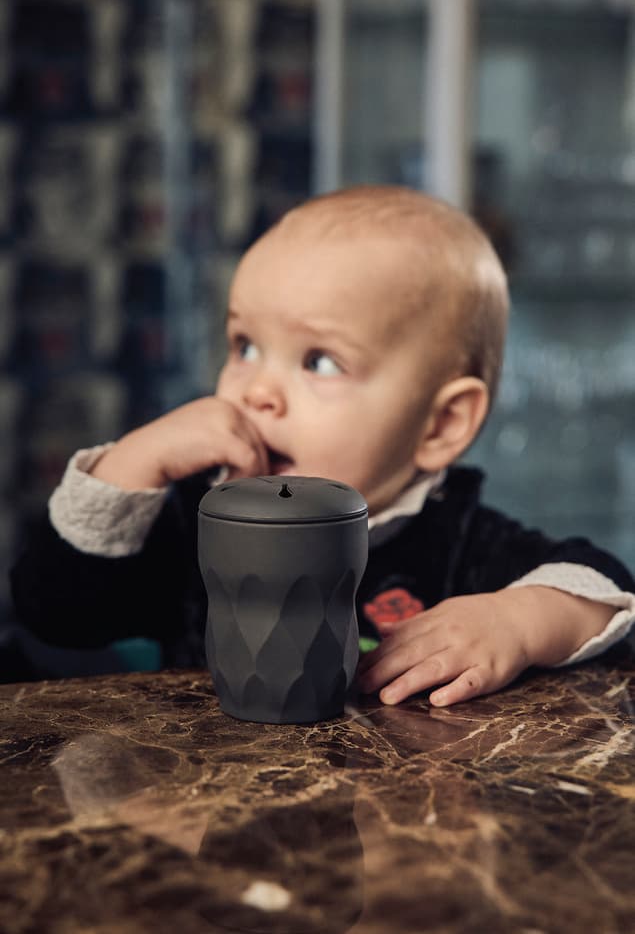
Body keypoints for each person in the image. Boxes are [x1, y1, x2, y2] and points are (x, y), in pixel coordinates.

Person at [11, 186, 635, 707]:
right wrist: (128, 466)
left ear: (440, 424)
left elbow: (603, 590)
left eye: (318, 360)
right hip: (214, 807)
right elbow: (55, 611)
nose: (257, 390)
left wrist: (517, 622)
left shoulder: (465, 544)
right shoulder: (199, 518)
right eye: (244, 346)